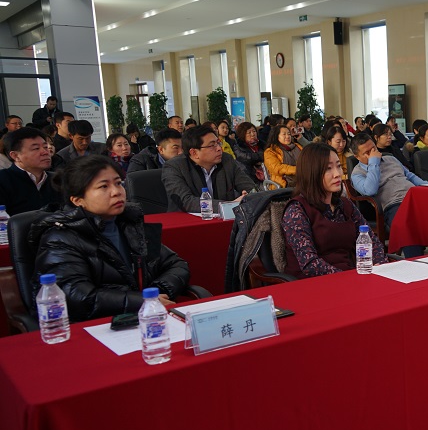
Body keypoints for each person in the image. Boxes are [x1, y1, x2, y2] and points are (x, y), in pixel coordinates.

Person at [29, 155, 191, 322]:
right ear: (78, 200)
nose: (116, 192)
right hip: (96, 325)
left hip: (141, 317)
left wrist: (154, 293)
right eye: (104, 186)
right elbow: (75, 295)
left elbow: (176, 264)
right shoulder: (59, 238)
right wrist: (140, 300)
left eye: (118, 183)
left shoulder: (129, 223)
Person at [282, 143, 387, 277]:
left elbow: (371, 241)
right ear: (311, 172)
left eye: (338, 166)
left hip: (351, 276)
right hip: (313, 282)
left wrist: (380, 266)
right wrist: (349, 277)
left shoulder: (345, 205)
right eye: (328, 169)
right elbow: (309, 264)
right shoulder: (296, 210)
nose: (338, 174)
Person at [350, 132, 428, 257]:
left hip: (415, 197)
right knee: (406, 225)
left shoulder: (391, 159)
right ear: (357, 156)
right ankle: (415, 261)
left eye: (373, 149)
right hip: (394, 204)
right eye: (367, 153)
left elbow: (410, 176)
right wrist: (374, 162)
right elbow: (370, 190)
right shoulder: (357, 174)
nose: (373, 153)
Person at [161, 124, 254, 212]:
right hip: (187, 221)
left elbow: (251, 188)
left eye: (218, 143)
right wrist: (229, 205)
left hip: (225, 220)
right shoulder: (174, 167)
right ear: (194, 153)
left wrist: (248, 196)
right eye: (212, 145)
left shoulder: (226, 160)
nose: (219, 148)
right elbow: (187, 201)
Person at [0, 127, 61, 214]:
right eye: (36, 148)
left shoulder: (58, 179)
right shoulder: (3, 180)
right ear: (15, 156)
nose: (45, 152)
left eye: (45, 147)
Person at [263, 124, 303, 188]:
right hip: (283, 185)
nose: (287, 136)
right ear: (276, 136)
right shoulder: (270, 151)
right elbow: (277, 168)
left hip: (302, 180)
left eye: (289, 134)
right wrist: (297, 169)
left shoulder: (298, 146)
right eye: (284, 134)